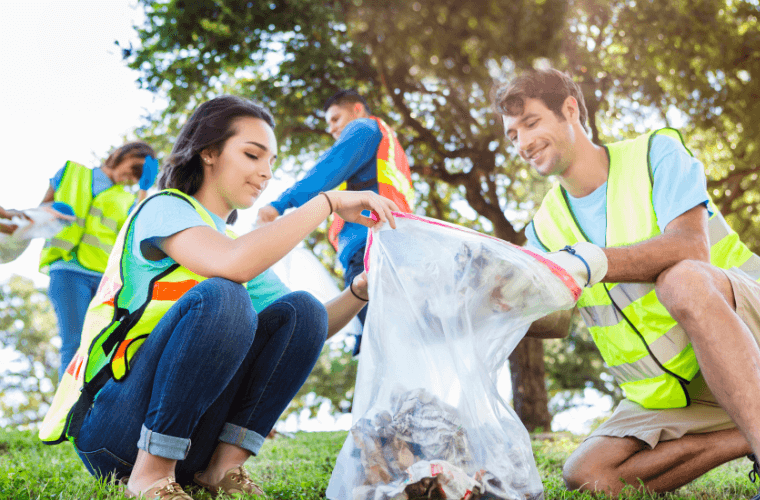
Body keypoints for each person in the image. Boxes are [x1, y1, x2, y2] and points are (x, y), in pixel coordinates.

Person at [38, 95, 398, 500]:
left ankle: (222, 470)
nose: (265, 173)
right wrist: (327, 202)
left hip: (190, 444)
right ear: (208, 153)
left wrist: (359, 290)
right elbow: (233, 266)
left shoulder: (232, 245)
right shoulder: (164, 207)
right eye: (252, 155)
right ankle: (150, 475)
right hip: (115, 433)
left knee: (303, 309)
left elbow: (311, 329)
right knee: (224, 295)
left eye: (271, 162)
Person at [492, 68, 760, 498]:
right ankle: (750, 432)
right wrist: (490, 302)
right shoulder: (544, 230)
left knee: (683, 281)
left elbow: (692, 249)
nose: (522, 143)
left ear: (569, 109)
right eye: (511, 136)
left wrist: (592, 260)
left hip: (750, 331)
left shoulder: (655, 153)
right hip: (679, 388)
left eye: (531, 123)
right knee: (589, 473)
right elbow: (556, 321)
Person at [256, 89, 414, 354]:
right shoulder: (388, 148)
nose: (331, 129)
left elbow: (328, 168)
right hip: (387, 246)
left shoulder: (364, 128)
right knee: (390, 340)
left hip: (368, 250)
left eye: (335, 119)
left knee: (379, 345)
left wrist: (278, 204)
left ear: (357, 110)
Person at [39, 142, 159, 380]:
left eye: (138, 175)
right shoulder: (72, 172)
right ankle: (68, 410)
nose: (131, 177)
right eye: (133, 168)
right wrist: (50, 210)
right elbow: (41, 209)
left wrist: (144, 189)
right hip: (68, 271)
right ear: (120, 155)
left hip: (105, 280)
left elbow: (136, 230)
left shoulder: (127, 199)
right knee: (74, 343)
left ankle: (89, 404)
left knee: (101, 346)